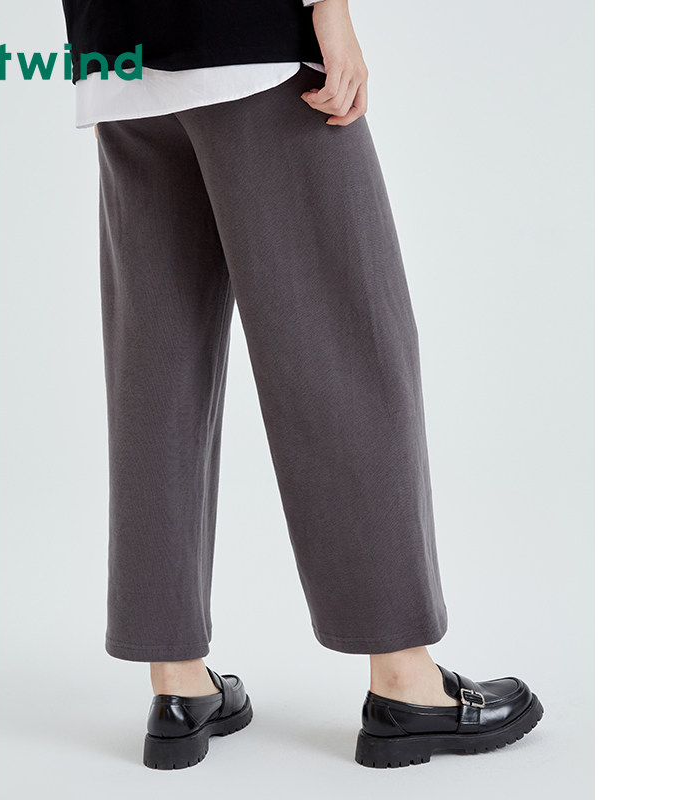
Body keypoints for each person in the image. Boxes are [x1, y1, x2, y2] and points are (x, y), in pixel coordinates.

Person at [60, 0, 544, 770]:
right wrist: (331, 9)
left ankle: (177, 685)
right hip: (251, 39)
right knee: (344, 352)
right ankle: (406, 681)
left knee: (154, 369)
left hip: (117, 50)